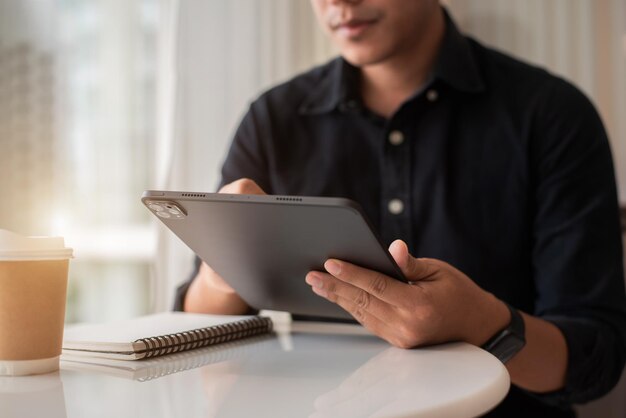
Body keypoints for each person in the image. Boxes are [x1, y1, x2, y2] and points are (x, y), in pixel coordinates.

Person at [174, 1, 626, 416]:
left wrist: (482, 322)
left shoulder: (553, 116)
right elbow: (194, 321)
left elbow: (594, 360)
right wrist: (220, 270)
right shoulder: (273, 120)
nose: (339, 2)